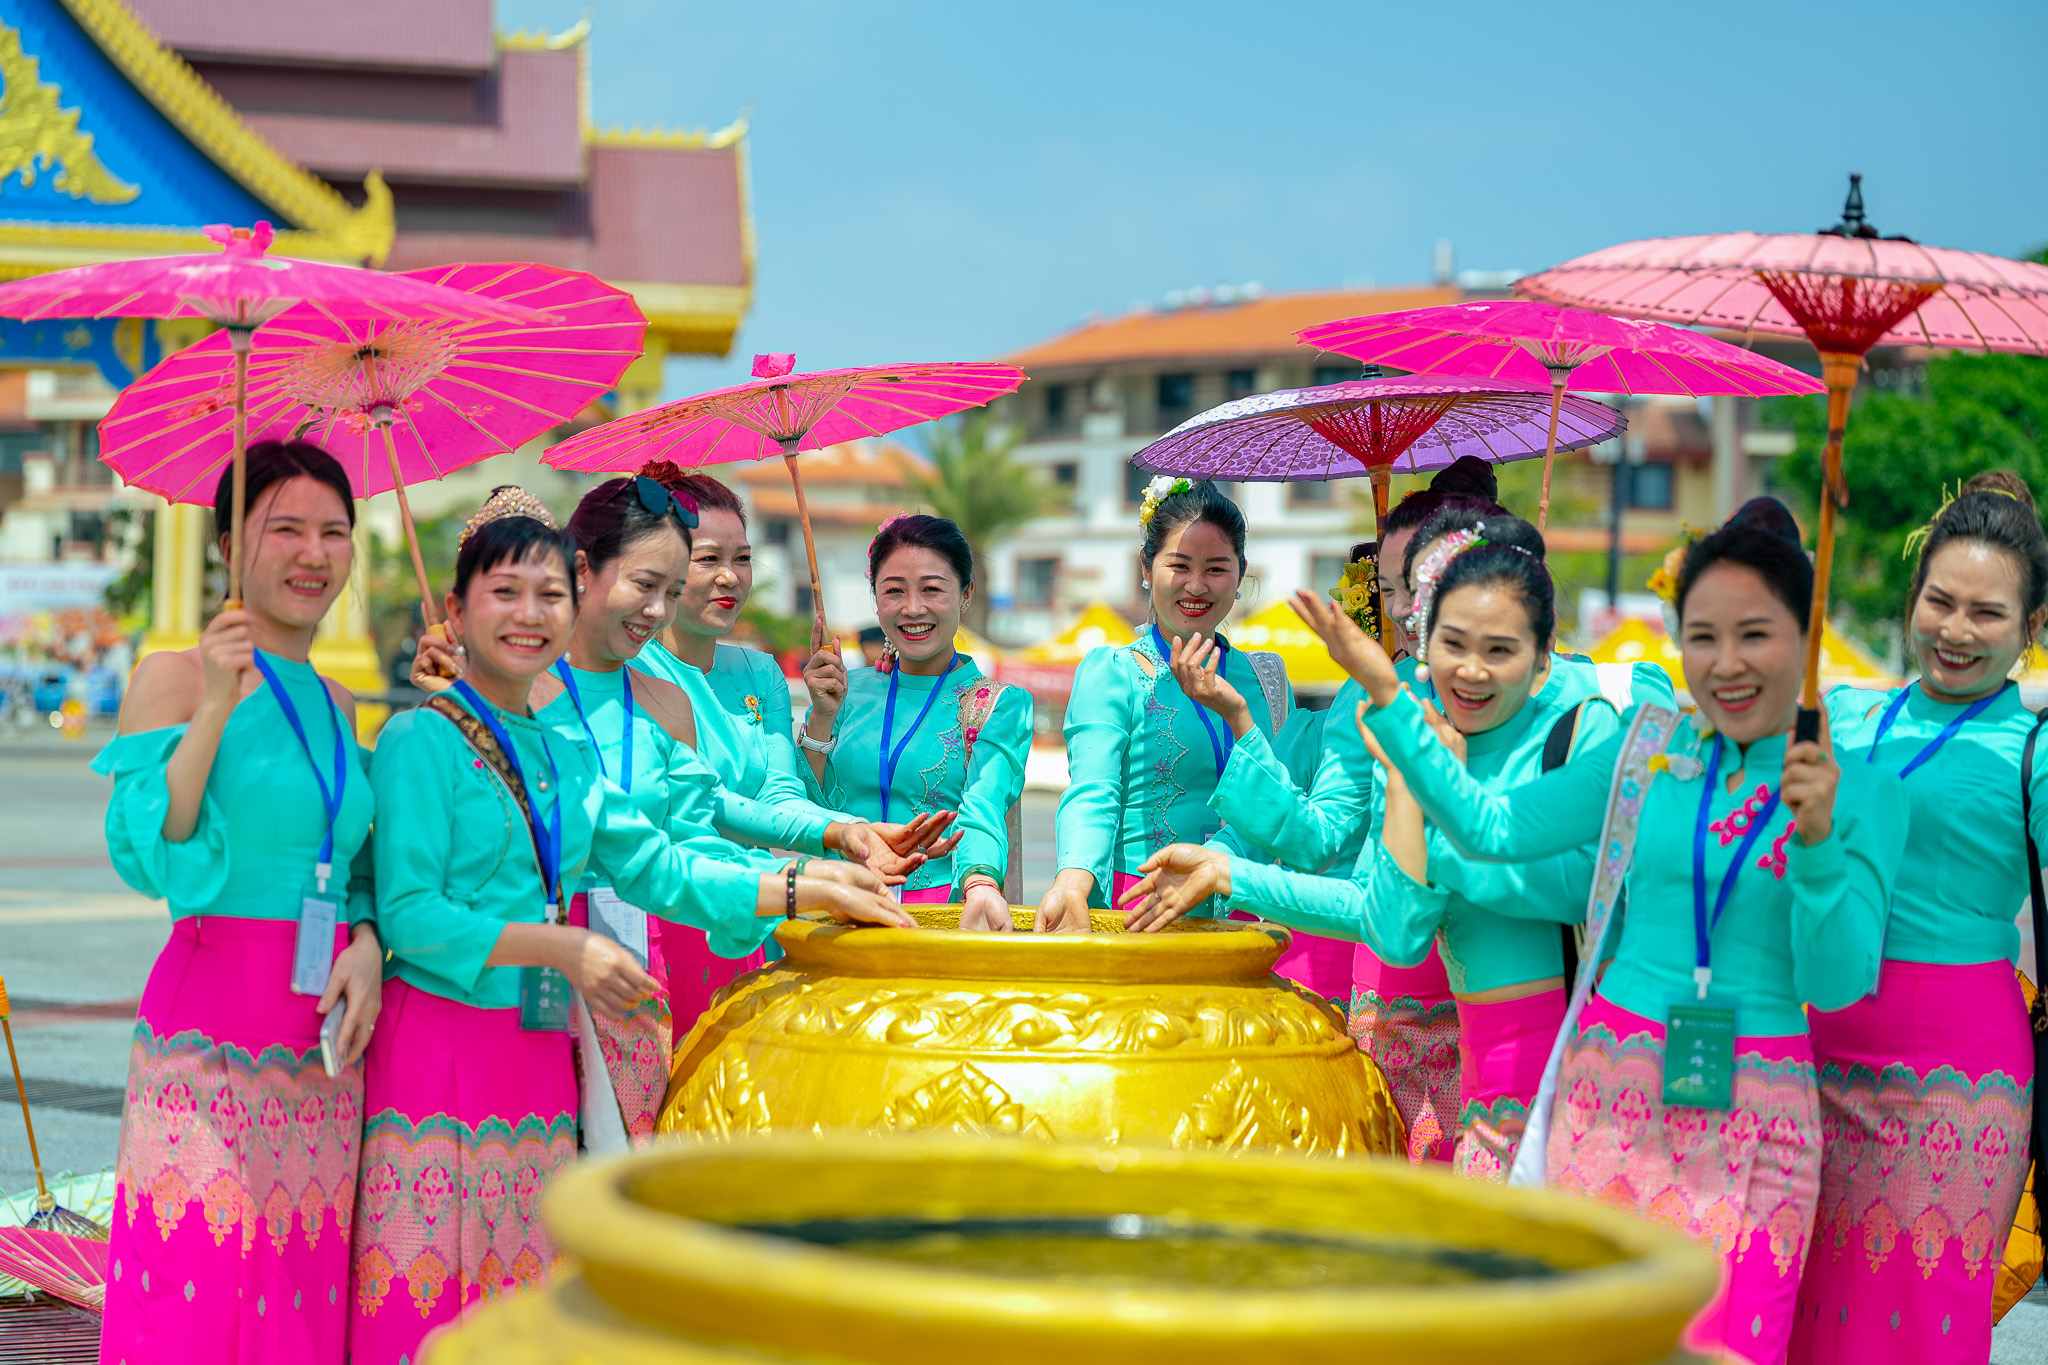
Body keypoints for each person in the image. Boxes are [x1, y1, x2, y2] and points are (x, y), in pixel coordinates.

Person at [1293, 497, 1908, 1365]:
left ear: (1805, 638)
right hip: (1609, 1097)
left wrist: (1816, 846)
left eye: (1755, 634)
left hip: (1756, 1109)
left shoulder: (1859, 786)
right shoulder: (1645, 748)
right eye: (1702, 635)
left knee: (1734, 1343)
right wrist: (1392, 693)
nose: (1726, 663)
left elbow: (1839, 981)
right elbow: (1489, 826)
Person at [351, 489, 910, 1363]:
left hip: (535, 1053)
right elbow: (413, 917)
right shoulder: (417, 740)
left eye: (547, 596)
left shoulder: (558, 750)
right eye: (506, 594)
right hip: (440, 1049)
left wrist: (804, 886)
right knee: (428, 1290)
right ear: (456, 611)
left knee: (528, 1283)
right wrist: (561, 945)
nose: (531, 617)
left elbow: (662, 865)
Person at [1122, 514, 1616, 1182]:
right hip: (1482, 1100)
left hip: (1591, 1088)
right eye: (1400, 595)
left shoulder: (1587, 717)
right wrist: (1230, 871)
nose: (1467, 666)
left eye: (1498, 645)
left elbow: (1576, 878)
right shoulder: (1403, 720)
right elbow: (1391, 919)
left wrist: (1436, 838)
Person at [94, 441, 381, 1365]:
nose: (314, 553)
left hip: (323, 1044)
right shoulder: (173, 677)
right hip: (211, 1032)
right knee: (199, 1300)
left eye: (335, 531)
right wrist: (215, 704)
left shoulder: (340, 701)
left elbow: (368, 857)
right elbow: (157, 855)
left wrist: (369, 939)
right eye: (285, 527)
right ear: (226, 544)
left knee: (298, 1303)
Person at [1788, 472, 2046, 1365]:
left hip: (1958, 1078)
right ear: (1913, 598)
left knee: (1916, 1322)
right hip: (1811, 1050)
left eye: (1987, 613)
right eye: (1940, 601)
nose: (1957, 630)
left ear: (2032, 629)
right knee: (1802, 1312)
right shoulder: (1849, 712)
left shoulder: (2034, 749)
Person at [625, 466, 954, 1005]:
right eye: (708, 558)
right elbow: (708, 804)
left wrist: (853, 829)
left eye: (743, 558)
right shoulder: (638, 673)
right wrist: (839, 838)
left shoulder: (760, 673)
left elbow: (780, 794)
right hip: (679, 905)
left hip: (763, 907)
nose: (730, 576)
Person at [799, 513, 1032, 928]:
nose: (912, 608)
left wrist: (980, 884)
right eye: (894, 590)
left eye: (931, 589)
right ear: (875, 599)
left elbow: (983, 807)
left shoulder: (997, 705)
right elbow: (803, 807)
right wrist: (821, 717)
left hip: (938, 914)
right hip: (837, 904)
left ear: (966, 594)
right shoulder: (844, 691)